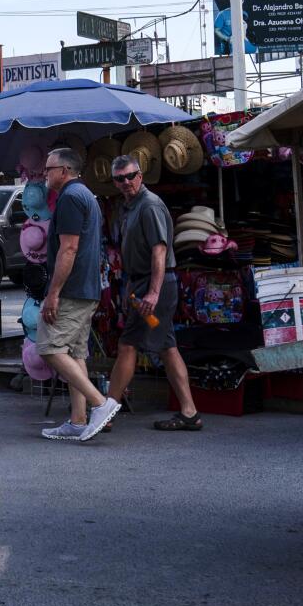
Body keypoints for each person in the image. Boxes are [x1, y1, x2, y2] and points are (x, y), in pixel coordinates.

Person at [106, 154, 201, 432]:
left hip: (155, 285)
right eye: (119, 178)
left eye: (130, 176)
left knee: (129, 344)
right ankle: (189, 411)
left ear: (140, 176)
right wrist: (130, 287)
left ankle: (107, 411)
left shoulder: (149, 206)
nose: (126, 182)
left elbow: (159, 252)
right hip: (141, 285)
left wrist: (153, 293)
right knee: (166, 346)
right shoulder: (130, 207)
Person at [38, 146, 121, 442]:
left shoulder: (71, 198)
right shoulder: (85, 195)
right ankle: (78, 420)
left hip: (72, 289)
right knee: (75, 353)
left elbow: (69, 248)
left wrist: (54, 292)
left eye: (48, 169)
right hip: (86, 287)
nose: (44, 174)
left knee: (49, 348)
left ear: (64, 171)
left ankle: (100, 404)